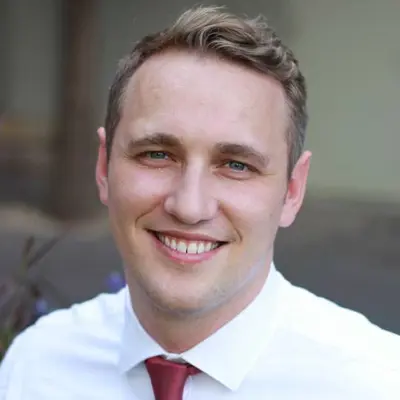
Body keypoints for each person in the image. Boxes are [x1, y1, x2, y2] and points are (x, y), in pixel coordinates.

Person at [1, 5, 399, 400]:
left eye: (237, 165)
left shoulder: (376, 384)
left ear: (292, 191)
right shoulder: (37, 366)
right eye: (157, 154)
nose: (189, 207)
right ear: (104, 167)